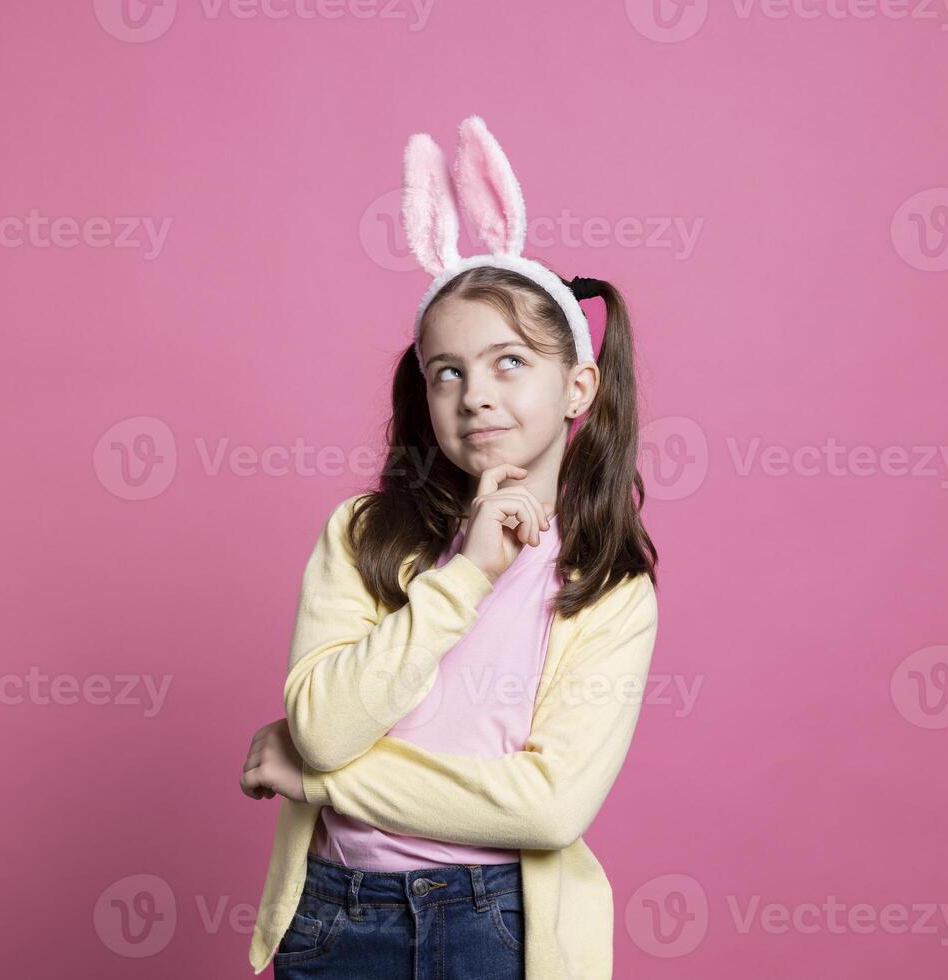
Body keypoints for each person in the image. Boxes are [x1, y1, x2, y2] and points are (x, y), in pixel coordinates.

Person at [238, 115, 659, 980]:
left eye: (510, 362)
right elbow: (322, 726)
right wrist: (466, 573)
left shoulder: (608, 586)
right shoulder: (362, 535)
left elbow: (545, 811)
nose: (475, 395)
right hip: (333, 918)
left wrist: (323, 783)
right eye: (448, 372)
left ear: (578, 384)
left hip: (497, 925)